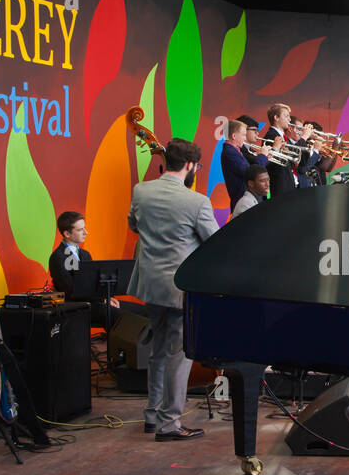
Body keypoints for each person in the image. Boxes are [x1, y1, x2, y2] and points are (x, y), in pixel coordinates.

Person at [127, 138, 219, 440]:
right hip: (180, 290)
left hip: (150, 285)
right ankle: (169, 423)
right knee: (179, 355)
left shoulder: (141, 191)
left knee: (157, 350)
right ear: (191, 166)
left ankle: (151, 415)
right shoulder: (196, 201)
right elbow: (215, 243)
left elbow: (134, 224)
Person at [48, 212, 121, 326]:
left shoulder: (85, 254)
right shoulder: (57, 257)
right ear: (67, 233)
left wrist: (108, 297)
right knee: (120, 315)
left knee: (140, 311)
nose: (86, 232)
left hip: (95, 302)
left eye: (84, 228)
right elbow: (71, 290)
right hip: (77, 307)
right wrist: (102, 300)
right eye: (80, 230)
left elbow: (94, 282)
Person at [219, 119, 256, 210]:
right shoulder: (229, 152)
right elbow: (250, 173)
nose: (245, 138)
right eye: (243, 135)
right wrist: (263, 156)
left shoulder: (234, 150)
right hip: (242, 201)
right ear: (234, 136)